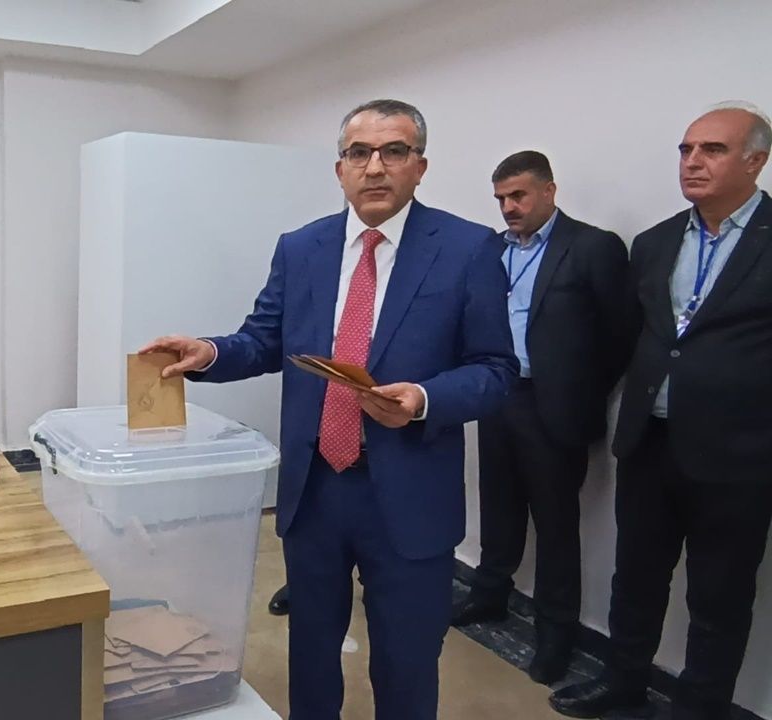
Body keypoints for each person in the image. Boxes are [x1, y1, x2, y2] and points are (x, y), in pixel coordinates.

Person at [141, 99, 517, 719]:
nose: (375, 167)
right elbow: (264, 340)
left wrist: (424, 400)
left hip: (409, 492)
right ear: (340, 168)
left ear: (419, 166)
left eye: (394, 151)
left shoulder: (467, 248)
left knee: (405, 661)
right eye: (359, 153)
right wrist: (210, 351)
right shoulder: (302, 248)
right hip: (315, 489)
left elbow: (495, 370)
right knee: (312, 653)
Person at [550, 102, 772, 720]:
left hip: (739, 457)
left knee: (719, 597)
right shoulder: (655, 242)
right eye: (686, 149)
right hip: (650, 441)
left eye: (713, 150)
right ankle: (622, 682)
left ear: (755, 160)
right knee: (636, 577)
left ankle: (699, 709)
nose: (692, 161)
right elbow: (634, 336)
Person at [452, 151, 632, 684]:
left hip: (553, 404)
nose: (509, 207)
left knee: (555, 524)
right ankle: (489, 595)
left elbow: (622, 331)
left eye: (519, 195)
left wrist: (580, 389)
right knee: (498, 505)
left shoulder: (592, 247)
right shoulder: (491, 249)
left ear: (549, 190)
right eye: (501, 199)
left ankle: (556, 633)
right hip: (497, 393)